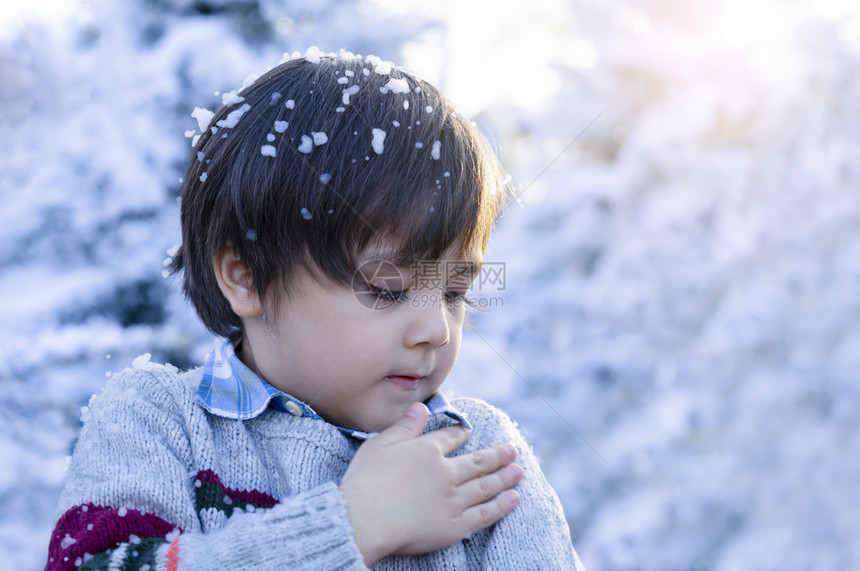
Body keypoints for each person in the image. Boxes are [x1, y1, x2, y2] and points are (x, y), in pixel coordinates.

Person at [46, 48, 584, 570]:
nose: (437, 330)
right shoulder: (161, 422)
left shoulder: (478, 457)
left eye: (454, 294)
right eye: (386, 289)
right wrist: (351, 527)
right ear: (247, 276)